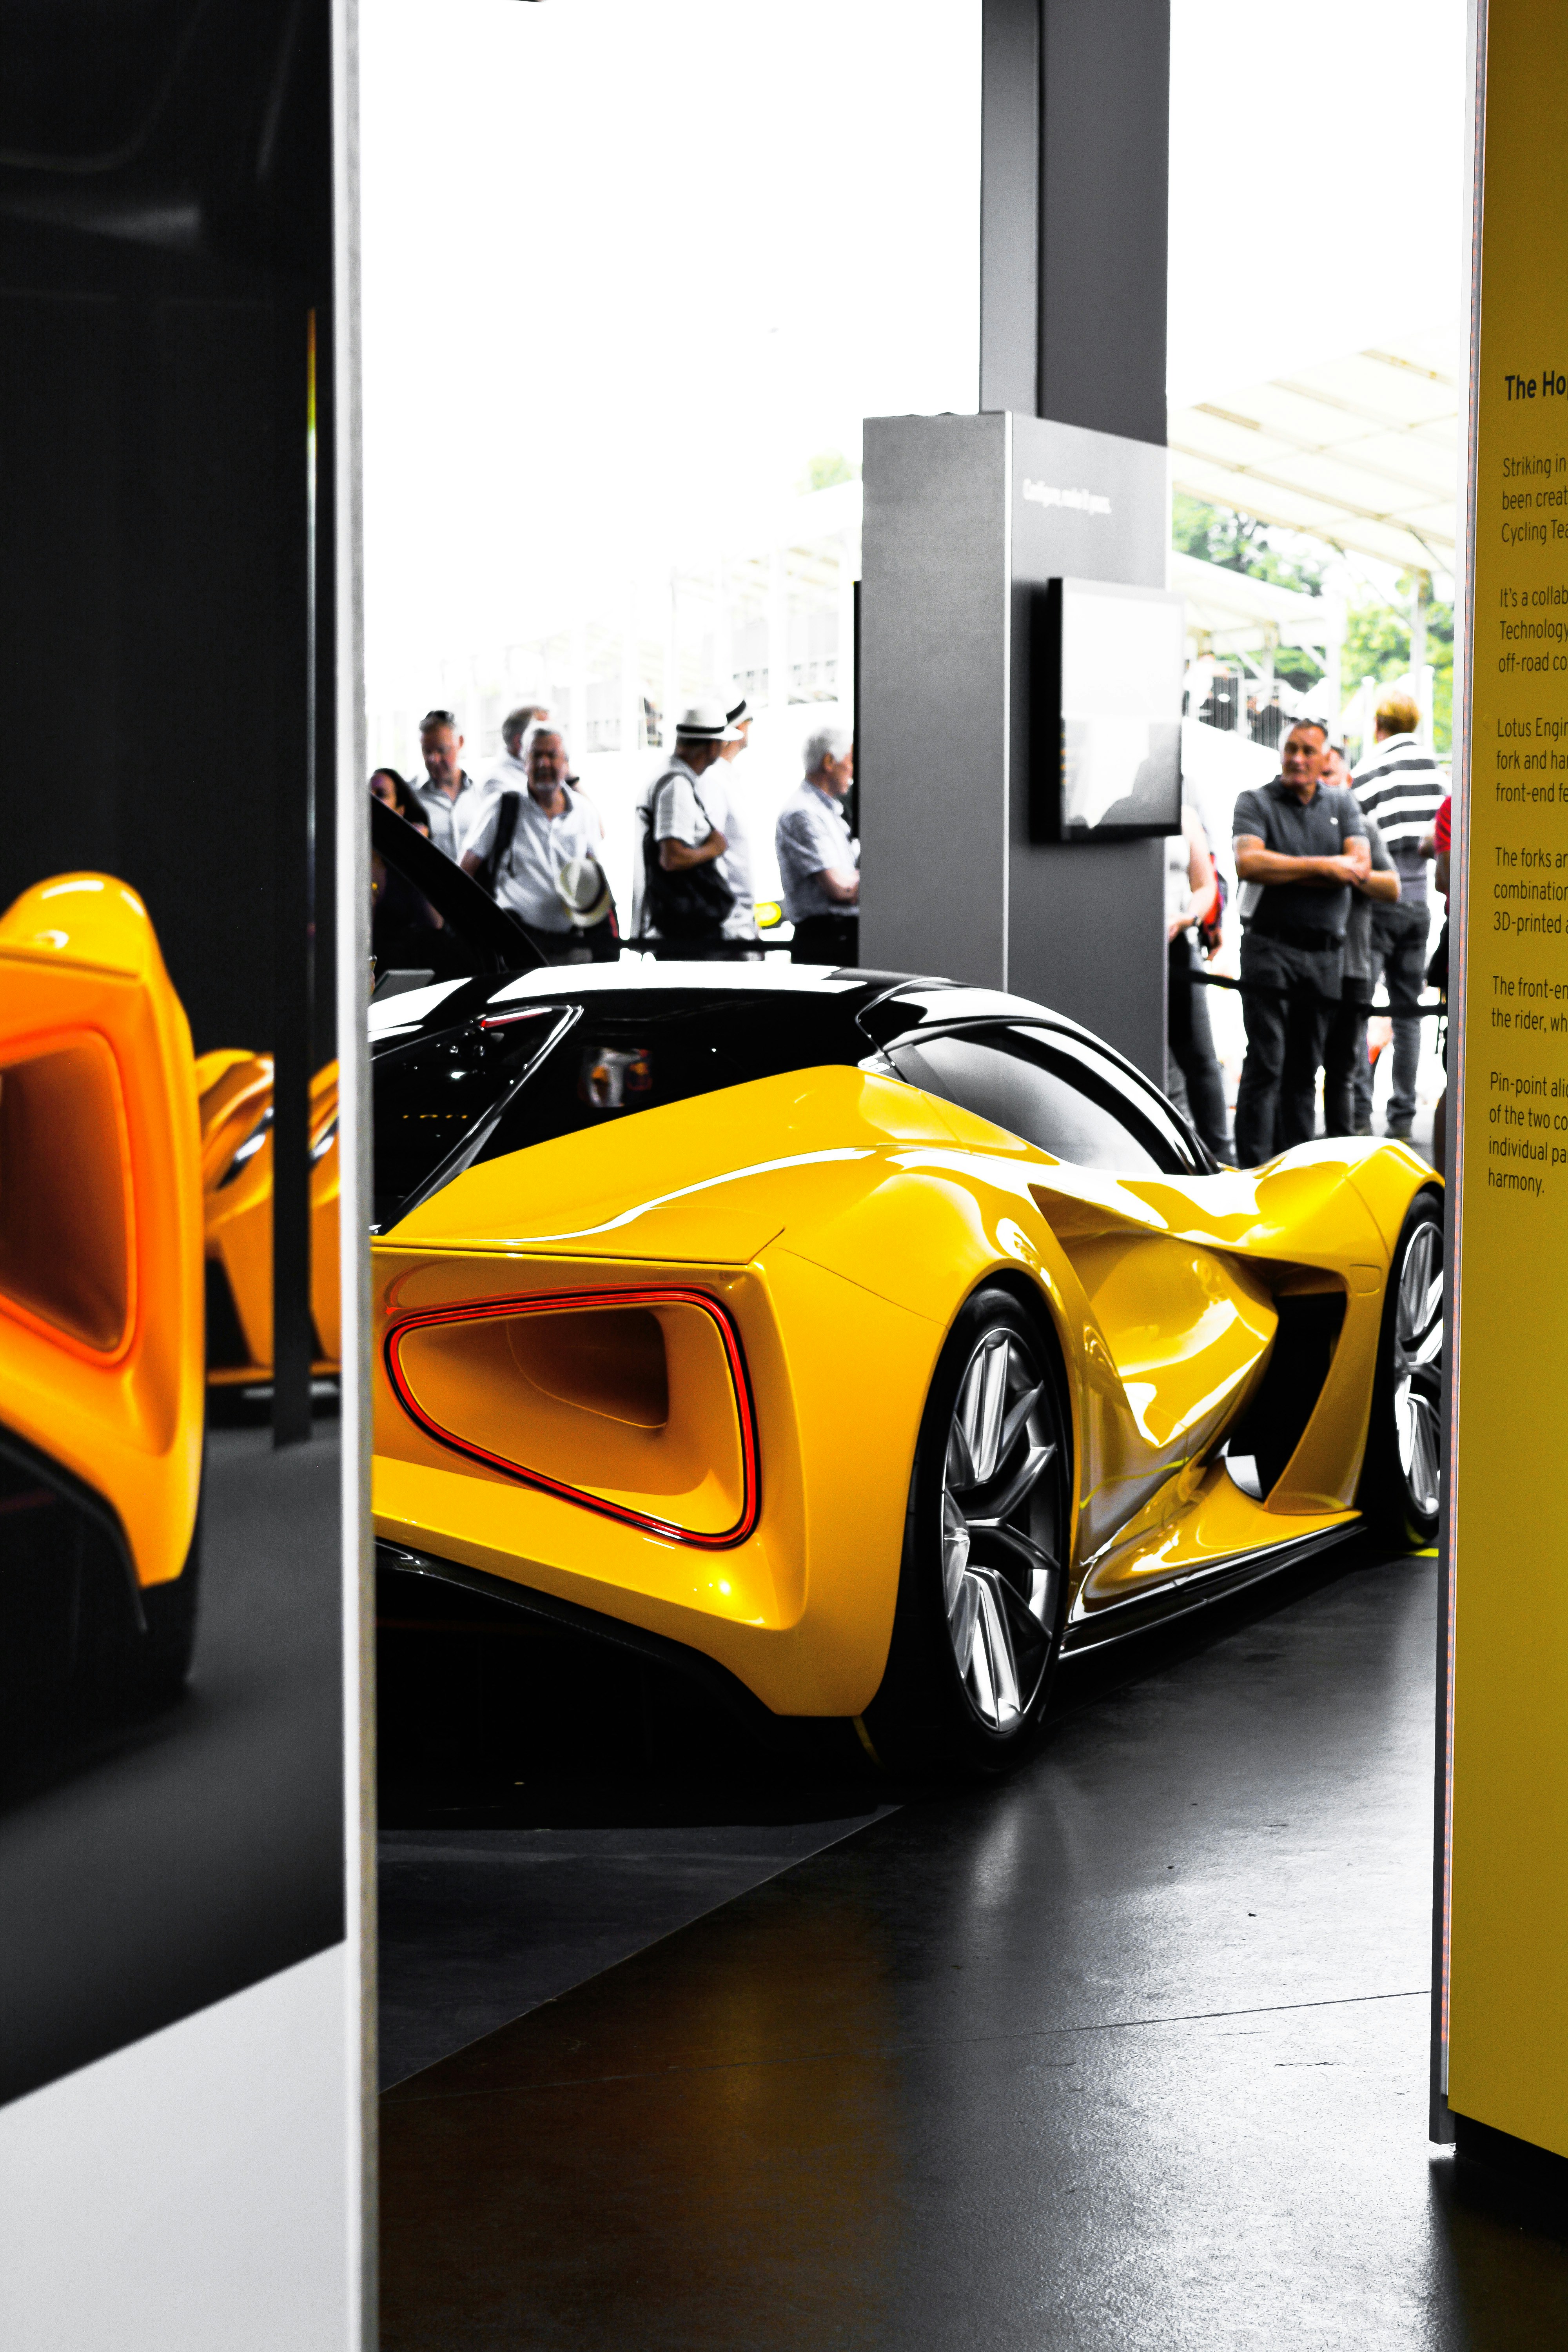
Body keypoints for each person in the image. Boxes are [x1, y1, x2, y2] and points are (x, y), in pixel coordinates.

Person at [1231, 717, 1370, 1166]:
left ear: (1325, 758)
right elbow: (1249, 863)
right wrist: (1327, 869)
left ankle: (1294, 1168)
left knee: (1304, 1069)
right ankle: (1252, 1166)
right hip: (1268, 948)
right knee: (1266, 1062)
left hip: (1323, 955)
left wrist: (1291, 866)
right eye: (1290, 748)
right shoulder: (1254, 801)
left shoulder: (1343, 803)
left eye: (1308, 751)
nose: (1297, 758)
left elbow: (1359, 868)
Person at [1352, 691, 1446, 1139]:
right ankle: (1402, 1120)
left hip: (1378, 903)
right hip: (1419, 905)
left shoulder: (1371, 767)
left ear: (1378, 724)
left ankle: (1355, 1113)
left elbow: (1354, 832)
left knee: (1358, 1007)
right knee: (1408, 1016)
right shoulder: (1433, 769)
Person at [459, 725, 613, 964]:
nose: (543, 764)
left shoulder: (584, 812)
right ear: (524, 763)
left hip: (572, 947)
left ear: (566, 763)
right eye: (536, 756)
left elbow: (594, 879)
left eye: (551, 756)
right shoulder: (502, 807)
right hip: (517, 946)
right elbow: (466, 870)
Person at [1320, 744, 1400, 1135]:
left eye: (1330, 775)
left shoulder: (1363, 828)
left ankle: (1350, 1138)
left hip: (1350, 966)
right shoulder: (1289, 821)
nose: (1322, 784)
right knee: (1293, 1068)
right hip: (1302, 967)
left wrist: (1350, 871)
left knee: (1345, 1066)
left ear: (1347, 781)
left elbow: (1392, 887)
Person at [639, 699, 757, 959]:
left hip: (682, 928)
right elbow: (672, 857)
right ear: (714, 745)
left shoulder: (669, 777)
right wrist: (713, 848)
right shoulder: (677, 786)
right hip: (689, 933)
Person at [1164, 804, 1232, 1163]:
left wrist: (1186, 919)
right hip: (1128, 948)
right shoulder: (1105, 805)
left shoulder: (1185, 813)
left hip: (1177, 948)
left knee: (1201, 1060)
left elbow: (1205, 886)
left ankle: (1221, 1155)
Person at [777, 725, 859, 966]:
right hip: (826, 941)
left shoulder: (826, 811)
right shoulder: (803, 813)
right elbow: (839, 888)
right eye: (850, 761)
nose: (853, 771)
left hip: (834, 937)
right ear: (829, 761)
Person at [412, 709, 485, 860]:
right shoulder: (411, 796)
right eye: (427, 752)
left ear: (460, 742)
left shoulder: (481, 793)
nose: (434, 759)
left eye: (442, 750)